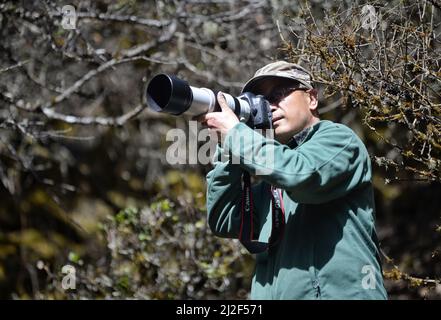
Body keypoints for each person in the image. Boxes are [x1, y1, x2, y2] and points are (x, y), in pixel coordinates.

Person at [198, 61, 387, 299]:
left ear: (312, 98)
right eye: (261, 102)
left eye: (278, 94)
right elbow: (224, 219)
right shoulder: (272, 182)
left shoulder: (339, 140)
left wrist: (237, 135)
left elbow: (300, 175)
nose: (269, 107)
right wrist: (228, 149)